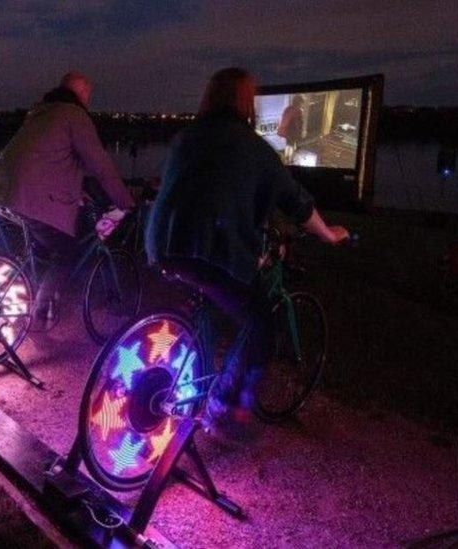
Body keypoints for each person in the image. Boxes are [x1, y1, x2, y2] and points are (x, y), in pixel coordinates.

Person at [145, 68, 349, 428]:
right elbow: (296, 202)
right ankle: (223, 405)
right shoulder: (254, 148)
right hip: (206, 251)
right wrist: (328, 234)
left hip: (162, 244)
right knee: (259, 321)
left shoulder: (186, 138)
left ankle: (194, 374)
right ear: (245, 102)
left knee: (209, 295)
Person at [0, 71, 135, 320]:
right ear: (83, 93)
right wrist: (125, 201)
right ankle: (38, 313)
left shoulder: (40, 113)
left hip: (3, 191)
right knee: (67, 253)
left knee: (41, 247)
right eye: (88, 93)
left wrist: (78, 191)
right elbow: (100, 164)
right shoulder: (74, 115)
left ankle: (33, 292)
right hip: (32, 198)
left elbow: (50, 161)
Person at [276, 94, 304, 163]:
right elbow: (298, 123)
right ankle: (290, 160)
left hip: (287, 130)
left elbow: (283, 118)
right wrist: (300, 132)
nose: (302, 104)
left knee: (288, 144)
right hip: (293, 131)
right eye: (302, 103)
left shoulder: (288, 108)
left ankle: (286, 159)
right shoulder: (298, 111)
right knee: (292, 145)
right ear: (299, 102)